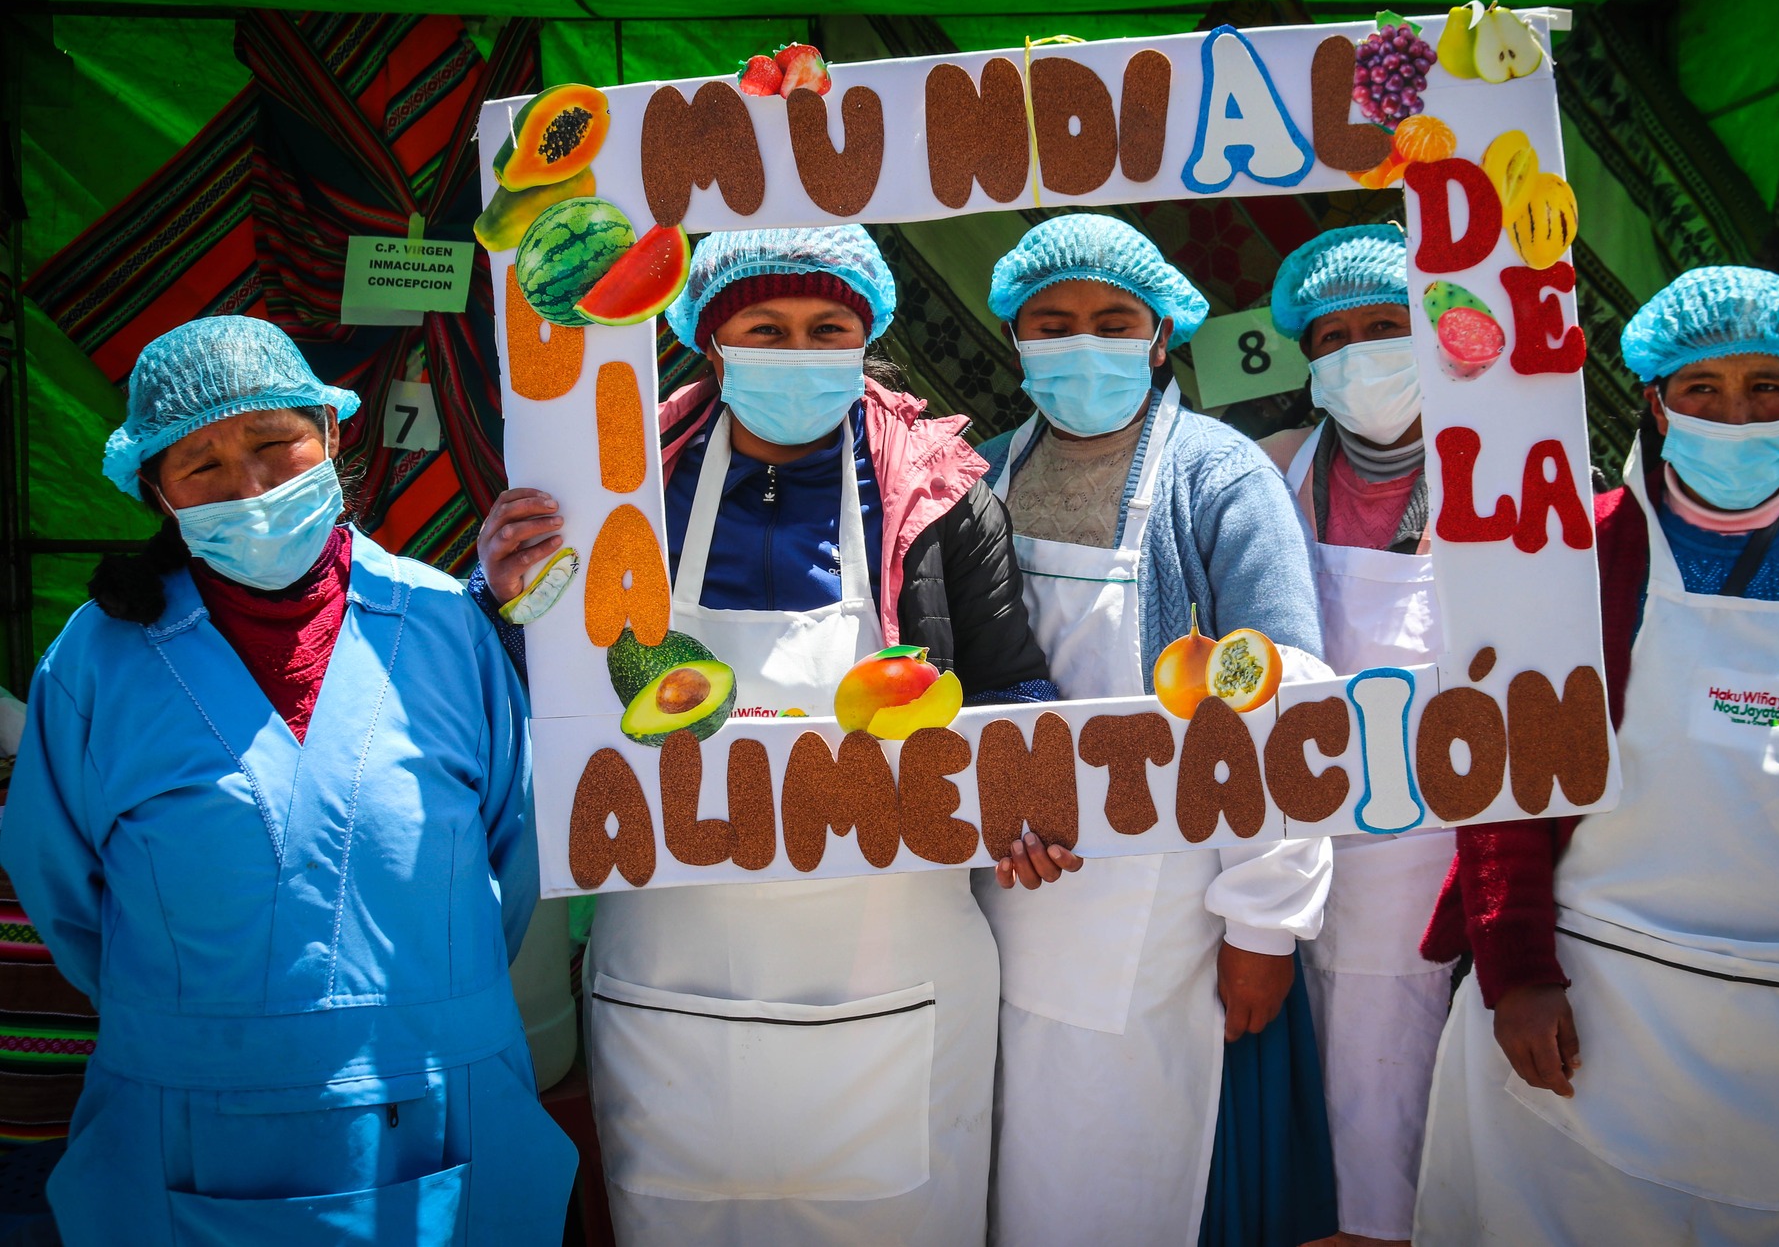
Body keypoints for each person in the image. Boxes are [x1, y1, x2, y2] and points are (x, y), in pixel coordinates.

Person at [473, 224, 1053, 1246]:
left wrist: (1029, 799)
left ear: (865, 334)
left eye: (826, 328)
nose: (795, 353)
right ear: (709, 341)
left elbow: (1008, 684)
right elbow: (518, 681)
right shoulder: (619, 487)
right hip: (670, 979)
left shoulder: (944, 497)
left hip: (895, 975)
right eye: (764, 329)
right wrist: (502, 589)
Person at [1412, 267, 1779, 1244]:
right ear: (1654, 402)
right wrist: (1515, 971)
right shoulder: (1584, 551)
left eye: (1766, 388)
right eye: (1700, 389)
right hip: (1601, 1015)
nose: (1733, 414)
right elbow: (1509, 771)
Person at [1, 317, 576, 1244]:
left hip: (444, 1112)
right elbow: (66, 896)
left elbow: (510, 855)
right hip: (186, 1133)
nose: (253, 489)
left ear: (334, 434)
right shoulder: (96, 666)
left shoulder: (444, 625)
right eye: (205, 468)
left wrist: (417, 995)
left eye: (275, 446)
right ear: (157, 490)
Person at [973, 214, 1336, 1247]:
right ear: (1016, 338)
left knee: (1123, 1180)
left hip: (1163, 914)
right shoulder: (977, 476)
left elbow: (1284, 703)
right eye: (1053, 320)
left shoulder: (1218, 480)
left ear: (1159, 335)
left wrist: (1264, 924)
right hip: (999, 894)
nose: (1082, 340)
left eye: (1111, 319)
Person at [1257, 225, 1453, 1247]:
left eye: (1386, 325)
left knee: (1390, 1089)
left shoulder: (1508, 477)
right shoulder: (1272, 474)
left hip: (1429, 850)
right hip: (1283, 838)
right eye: (1331, 337)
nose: (1359, 354)